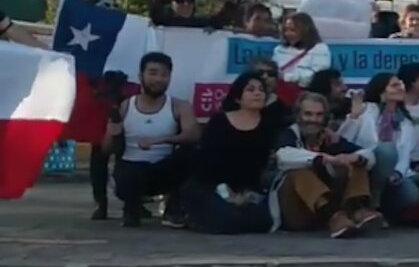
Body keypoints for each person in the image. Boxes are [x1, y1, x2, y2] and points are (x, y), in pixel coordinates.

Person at [102, 53, 199, 228]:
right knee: (129, 172)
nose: (158, 79)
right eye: (153, 73)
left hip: (163, 170)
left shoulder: (179, 106)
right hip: (131, 171)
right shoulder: (124, 107)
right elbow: (106, 149)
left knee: (193, 153)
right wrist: (112, 133)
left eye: (164, 75)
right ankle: (131, 209)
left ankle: (173, 209)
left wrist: (160, 140)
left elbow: (193, 134)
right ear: (141, 76)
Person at [273, 93, 381, 238]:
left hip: (323, 211)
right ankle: (334, 217)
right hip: (294, 210)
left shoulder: (329, 138)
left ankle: (358, 210)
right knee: (298, 171)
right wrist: (326, 159)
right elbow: (284, 156)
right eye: (308, 114)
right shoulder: (289, 134)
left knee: (356, 162)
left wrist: (354, 157)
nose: (313, 120)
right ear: (298, 116)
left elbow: (368, 154)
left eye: (319, 115)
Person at [180, 72, 277, 234]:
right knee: (230, 222)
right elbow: (204, 163)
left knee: (262, 222)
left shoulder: (270, 125)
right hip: (210, 185)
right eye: (251, 89)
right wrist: (226, 193)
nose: (257, 93)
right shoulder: (220, 122)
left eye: (261, 90)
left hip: (247, 191)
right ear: (238, 97)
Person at [339, 73, 419, 223]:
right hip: (364, 165)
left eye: (401, 84)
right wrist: (353, 117)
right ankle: (373, 206)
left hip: (390, 173)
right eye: (394, 85)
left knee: (411, 194)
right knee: (386, 150)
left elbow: (404, 156)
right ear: (382, 91)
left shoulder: (405, 121)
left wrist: (398, 174)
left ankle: (385, 212)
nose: (400, 88)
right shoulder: (366, 110)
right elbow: (343, 139)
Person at [274, 12, 332, 88]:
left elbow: (318, 76)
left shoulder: (320, 49)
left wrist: (289, 77)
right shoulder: (279, 50)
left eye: (293, 30)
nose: (288, 34)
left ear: (305, 30)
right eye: (286, 30)